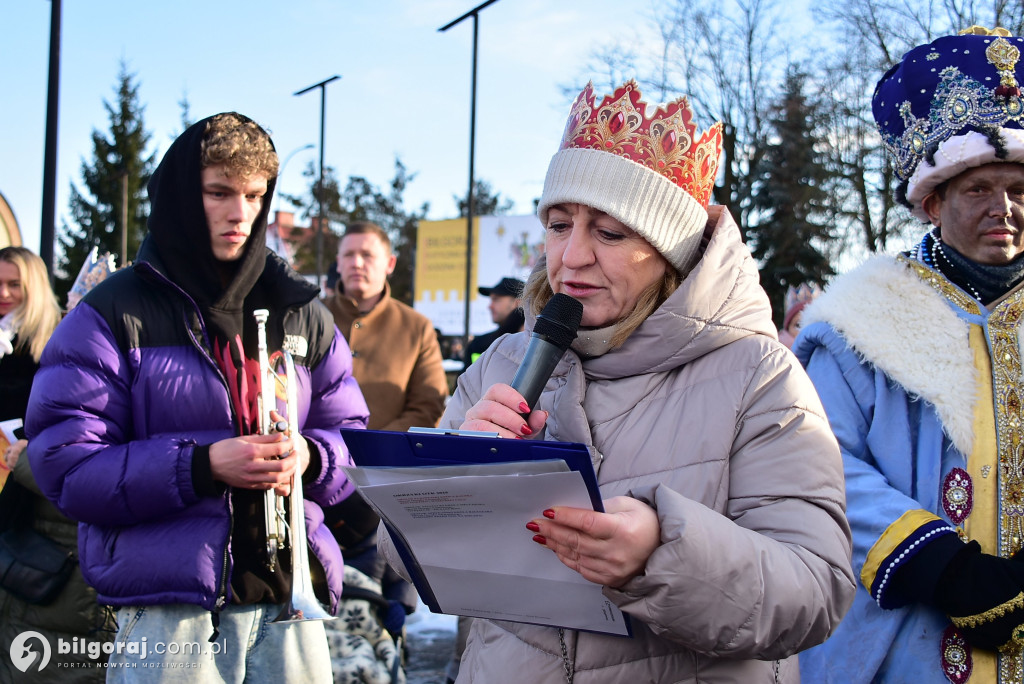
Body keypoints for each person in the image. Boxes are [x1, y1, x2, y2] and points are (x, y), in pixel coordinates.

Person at [384, 80, 854, 683]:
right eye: (558, 224)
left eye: (609, 233)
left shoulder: (759, 377)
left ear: (670, 253)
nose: (571, 256)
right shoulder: (501, 364)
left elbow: (813, 596)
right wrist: (452, 482)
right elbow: (403, 558)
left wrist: (661, 553)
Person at [25, 112, 369, 682]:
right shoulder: (110, 313)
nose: (241, 213)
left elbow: (354, 443)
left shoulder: (302, 312)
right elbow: (66, 468)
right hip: (169, 614)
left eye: (256, 195)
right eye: (219, 192)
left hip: (287, 602)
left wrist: (311, 458)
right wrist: (202, 465)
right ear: (184, 196)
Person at [793, 27, 1024, 683]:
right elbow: (819, 458)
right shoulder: (858, 324)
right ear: (932, 200)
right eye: (978, 189)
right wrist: (939, 565)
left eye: (1018, 189)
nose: (1002, 209)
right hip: (907, 649)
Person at [0, 246, 115, 682]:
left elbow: (85, 468)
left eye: (16, 284)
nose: (6, 294)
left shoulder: (52, 352)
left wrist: (26, 459)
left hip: (49, 543)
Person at [325, 221, 448, 432]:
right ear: (338, 263)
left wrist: (374, 447)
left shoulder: (417, 328)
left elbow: (428, 406)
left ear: (390, 264)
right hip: (312, 458)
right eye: (348, 255)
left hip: (384, 461)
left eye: (367, 255)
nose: (356, 263)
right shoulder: (309, 317)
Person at [463, 277, 525, 368]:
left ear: (518, 303)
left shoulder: (535, 342)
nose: (490, 306)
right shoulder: (479, 345)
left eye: (496, 300)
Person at [777, 283, 821, 349]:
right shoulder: (775, 355)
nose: (804, 330)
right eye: (798, 325)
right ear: (788, 328)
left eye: (812, 324)